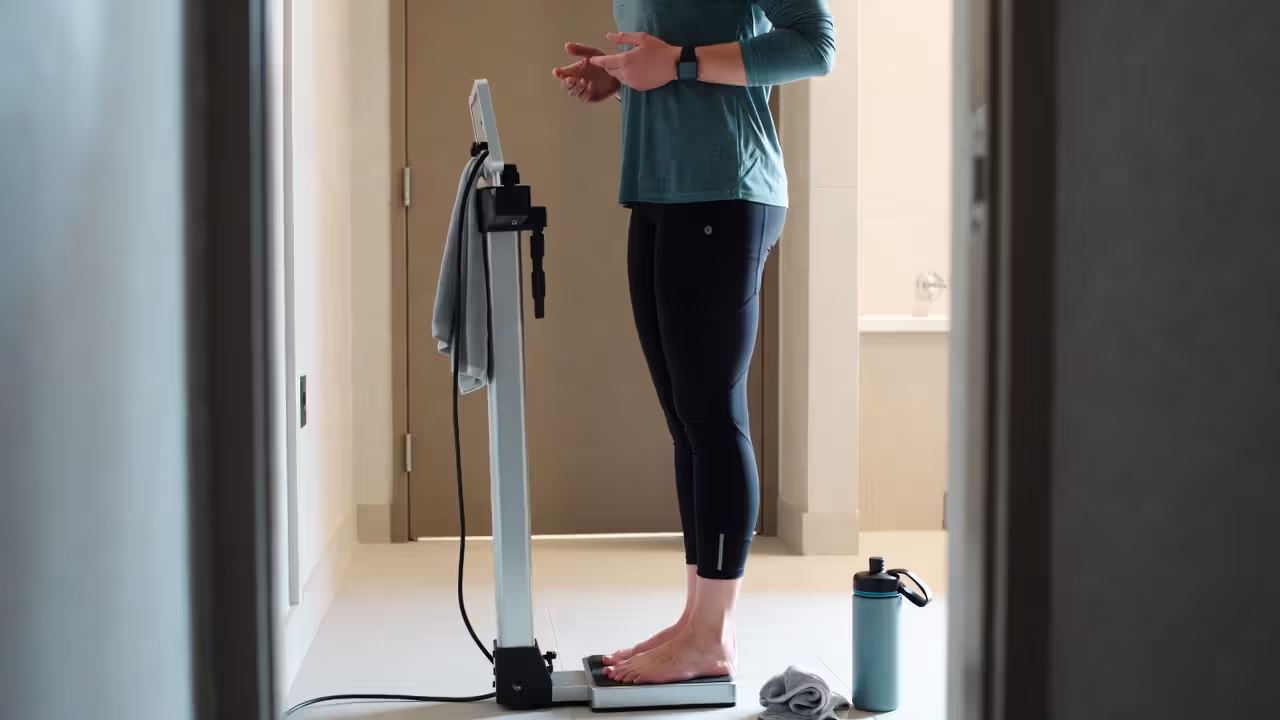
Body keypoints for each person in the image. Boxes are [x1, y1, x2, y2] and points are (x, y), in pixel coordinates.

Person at [552, 0, 835, 686]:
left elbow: (814, 46)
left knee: (711, 415)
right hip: (657, 190)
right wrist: (622, 76)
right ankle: (696, 620)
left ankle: (712, 636)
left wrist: (677, 65)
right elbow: (670, 52)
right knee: (687, 422)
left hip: (726, 190)